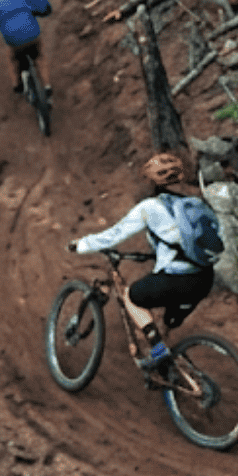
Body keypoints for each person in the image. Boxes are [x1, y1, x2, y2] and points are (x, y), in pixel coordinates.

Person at [67, 152, 217, 369]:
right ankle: (169, 373)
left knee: (132, 297)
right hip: (204, 279)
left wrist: (81, 244)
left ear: (152, 182)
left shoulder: (150, 207)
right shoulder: (194, 204)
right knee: (165, 323)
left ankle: (158, 351)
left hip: (180, 279)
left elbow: (114, 234)